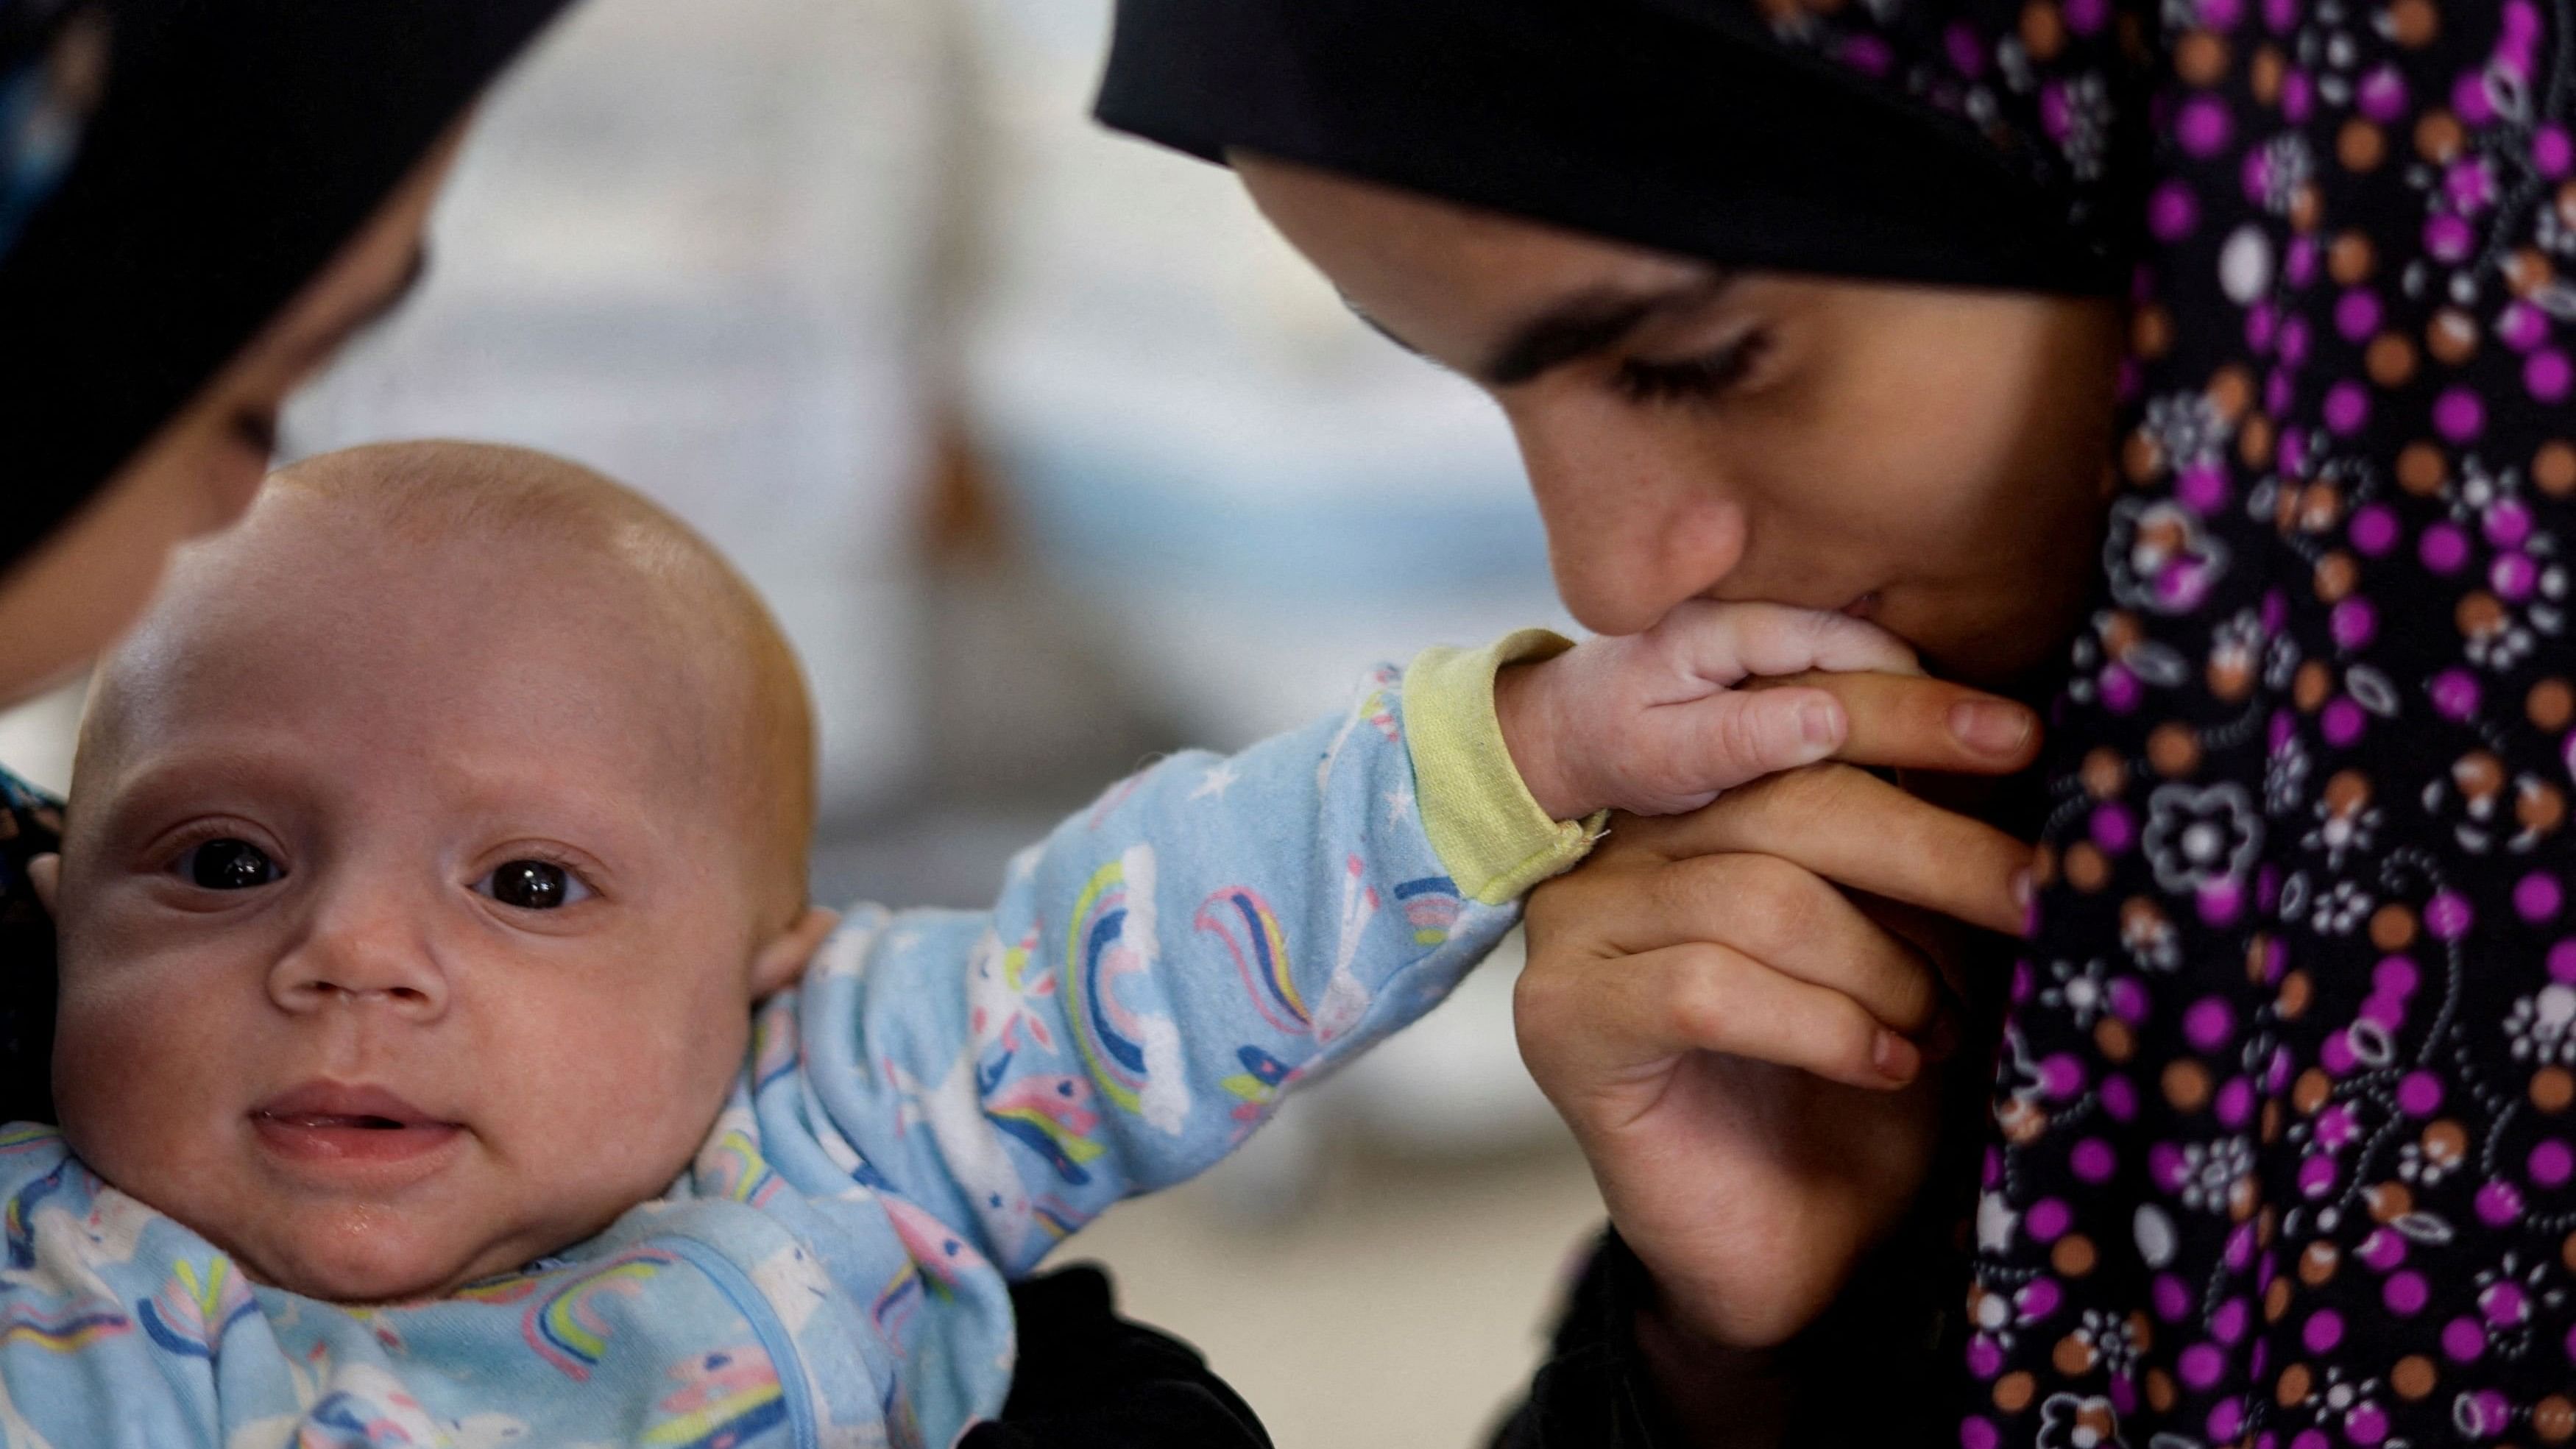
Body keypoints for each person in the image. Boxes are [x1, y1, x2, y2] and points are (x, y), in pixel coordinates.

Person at [1097, 0, 2576, 1443]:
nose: (1607, 580)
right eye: (1471, 378)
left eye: (1699, 358)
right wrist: (1749, 1358)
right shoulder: (1963, 842)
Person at [9, 437, 1961, 1443]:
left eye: (526, 885)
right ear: (54, 905)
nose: (353, 955)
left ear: (769, 956)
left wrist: (1528, 745)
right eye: (222, 860)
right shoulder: (48, 1265)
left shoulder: (832, 1127)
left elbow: (1157, 939)